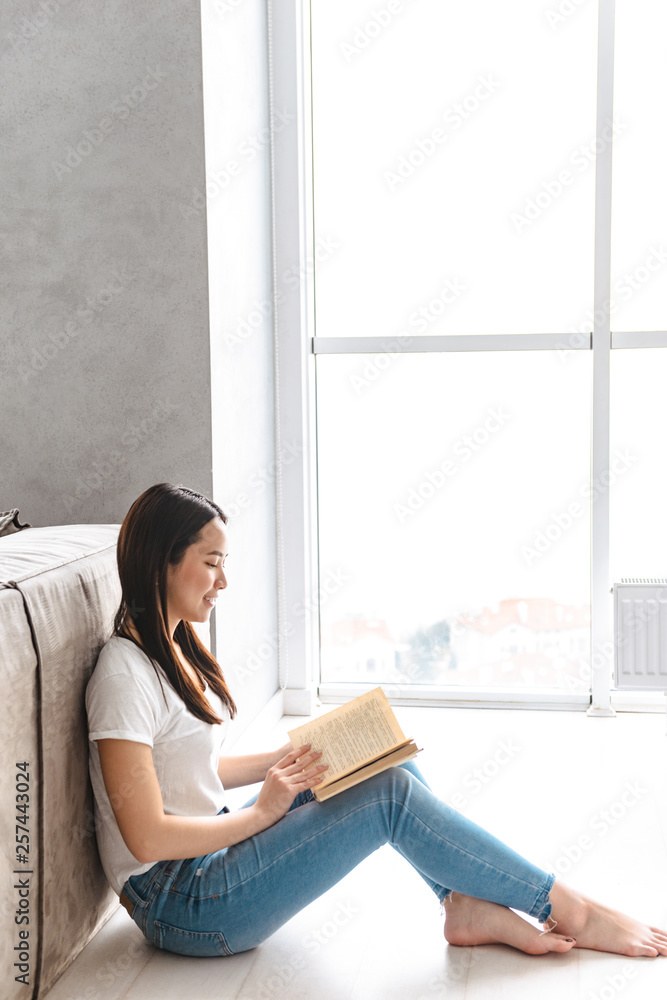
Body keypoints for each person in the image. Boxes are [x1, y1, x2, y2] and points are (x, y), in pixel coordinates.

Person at [86, 482, 667, 961]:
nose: (223, 583)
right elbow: (147, 835)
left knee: (389, 761)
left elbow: (188, 767)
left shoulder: (173, 648)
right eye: (211, 563)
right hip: (182, 903)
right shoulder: (123, 676)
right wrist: (264, 810)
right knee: (386, 796)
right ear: (162, 561)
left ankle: (459, 904)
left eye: (224, 564)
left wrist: (300, 757)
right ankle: (568, 907)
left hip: (205, 863)